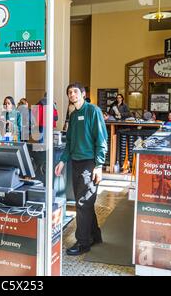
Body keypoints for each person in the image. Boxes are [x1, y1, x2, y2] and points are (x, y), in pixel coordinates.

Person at [54, 82, 107, 256]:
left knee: (83, 203)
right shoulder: (74, 115)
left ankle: (83, 243)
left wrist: (99, 165)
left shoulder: (93, 111)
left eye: (75, 91)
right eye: (69, 92)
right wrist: (62, 161)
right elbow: (69, 142)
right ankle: (95, 235)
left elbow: (101, 139)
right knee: (84, 202)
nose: (72, 94)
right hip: (75, 163)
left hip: (89, 163)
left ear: (83, 94)